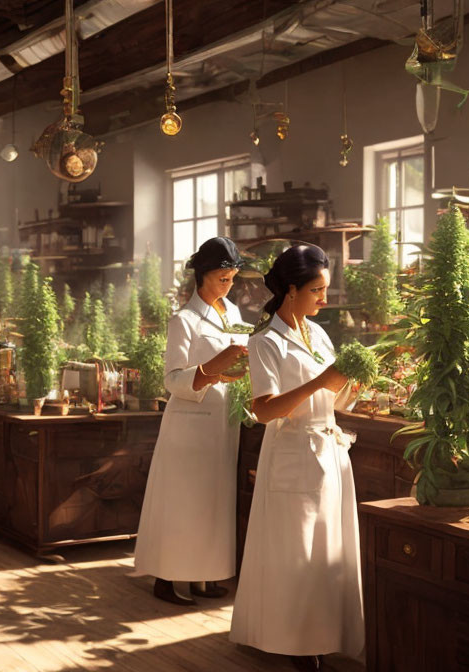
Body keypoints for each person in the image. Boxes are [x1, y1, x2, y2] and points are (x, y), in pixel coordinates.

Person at [229, 244, 364, 672]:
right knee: (298, 553)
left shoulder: (319, 334)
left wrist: (355, 384)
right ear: (291, 290)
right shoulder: (266, 342)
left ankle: (325, 635)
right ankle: (295, 640)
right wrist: (323, 379)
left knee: (329, 552)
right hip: (292, 451)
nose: (325, 298)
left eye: (326, 289)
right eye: (317, 290)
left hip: (330, 453)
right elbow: (264, 409)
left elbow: (335, 396)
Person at [134, 237, 251, 605]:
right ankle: (166, 578)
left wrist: (240, 370)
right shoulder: (183, 321)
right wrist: (216, 368)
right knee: (183, 503)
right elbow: (172, 379)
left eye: (232, 278)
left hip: (222, 423)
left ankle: (205, 575)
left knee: (213, 503)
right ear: (201, 277)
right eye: (221, 278)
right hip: (189, 425)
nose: (227, 286)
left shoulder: (232, 315)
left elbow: (238, 364)